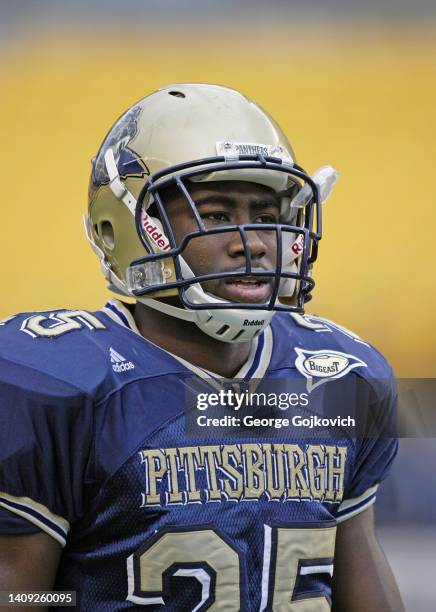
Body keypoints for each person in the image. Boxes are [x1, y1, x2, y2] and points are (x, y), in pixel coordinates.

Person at [0, 84, 404, 611]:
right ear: (122, 227)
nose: (253, 241)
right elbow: (21, 596)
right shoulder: (58, 382)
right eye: (215, 214)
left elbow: (360, 586)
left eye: (267, 213)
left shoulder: (344, 377)